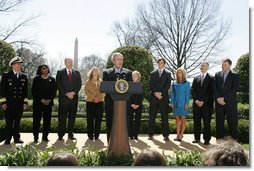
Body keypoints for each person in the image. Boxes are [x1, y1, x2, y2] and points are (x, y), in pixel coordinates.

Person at [102, 52, 132, 142]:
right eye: (118, 59)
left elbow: (131, 87)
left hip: (124, 103)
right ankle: (110, 143)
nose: (120, 61)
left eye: (121, 59)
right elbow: (105, 87)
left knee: (124, 123)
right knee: (111, 122)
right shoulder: (106, 73)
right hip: (111, 103)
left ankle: (124, 143)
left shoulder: (128, 73)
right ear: (113, 61)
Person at [0, 56, 28, 144]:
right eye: (17, 64)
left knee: (17, 121)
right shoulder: (6, 75)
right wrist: (3, 102)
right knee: (9, 121)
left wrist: (25, 102)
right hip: (9, 103)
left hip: (19, 103)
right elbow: (2, 90)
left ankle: (16, 138)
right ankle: (7, 138)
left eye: (20, 64)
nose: (19, 66)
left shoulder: (24, 76)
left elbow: (25, 91)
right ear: (13, 65)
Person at [56, 58, 82, 140]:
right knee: (62, 117)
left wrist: (73, 93)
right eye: (68, 62)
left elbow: (79, 84)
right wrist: (67, 93)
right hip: (64, 99)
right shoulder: (60, 72)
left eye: (71, 62)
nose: (70, 63)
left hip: (74, 99)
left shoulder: (77, 73)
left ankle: (70, 134)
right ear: (65, 63)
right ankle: (61, 134)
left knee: (72, 117)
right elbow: (58, 84)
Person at [214, 58, 239, 140]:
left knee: (232, 123)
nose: (223, 66)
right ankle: (219, 144)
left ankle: (234, 144)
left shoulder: (235, 75)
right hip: (219, 103)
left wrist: (224, 98)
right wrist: (218, 98)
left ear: (230, 65)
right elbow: (215, 88)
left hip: (230, 104)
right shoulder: (217, 74)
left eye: (225, 65)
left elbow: (234, 89)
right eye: (222, 65)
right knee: (219, 124)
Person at [32, 64, 57, 143]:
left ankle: (45, 137)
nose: (46, 69)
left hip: (48, 104)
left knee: (47, 121)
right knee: (36, 120)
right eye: (43, 68)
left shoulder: (52, 79)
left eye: (46, 68)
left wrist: (49, 100)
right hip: (38, 103)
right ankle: (36, 137)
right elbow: (33, 91)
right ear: (40, 70)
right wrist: (41, 99)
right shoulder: (36, 79)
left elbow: (54, 91)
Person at [148, 57, 171, 141]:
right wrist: (155, 93)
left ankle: (166, 135)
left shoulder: (168, 73)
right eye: (159, 62)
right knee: (152, 117)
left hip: (163, 98)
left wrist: (160, 93)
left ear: (164, 64)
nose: (160, 64)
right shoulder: (152, 73)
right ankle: (150, 134)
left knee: (164, 117)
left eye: (162, 62)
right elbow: (150, 84)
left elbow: (168, 85)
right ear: (157, 63)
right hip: (154, 97)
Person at [191, 62, 214, 145]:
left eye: (203, 66)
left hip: (207, 105)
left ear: (207, 67)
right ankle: (197, 138)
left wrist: (203, 101)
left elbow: (210, 92)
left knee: (206, 123)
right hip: (196, 104)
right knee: (196, 122)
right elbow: (192, 89)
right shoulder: (196, 78)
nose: (201, 67)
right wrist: (196, 100)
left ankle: (207, 140)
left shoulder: (212, 78)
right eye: (201, 66)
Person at [84, 67, 105, 140]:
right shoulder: (88, 82)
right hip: (90, 102)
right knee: (90, 120)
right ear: (91, 72)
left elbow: (104, 92)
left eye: (97, 71)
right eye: (94, 71)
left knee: (98, 120)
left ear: (98, 72)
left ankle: (96, 136)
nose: (95, 72)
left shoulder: (101, 81)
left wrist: (98, 98)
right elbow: (86, 92)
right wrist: (94, 97)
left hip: (100, 103)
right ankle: (90, 136)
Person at [170, 68, 190, 142]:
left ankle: (181, 135)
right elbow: (172, 94)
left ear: (183, 73)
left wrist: (186, 104)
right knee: (177, 119)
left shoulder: (187, 83)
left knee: (183, 119)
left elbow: (187, 94)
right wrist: (171, 102)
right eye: (178, 72)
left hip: (183, 104)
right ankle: (177, 134)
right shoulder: (174, 83)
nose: (179, 73)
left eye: (180, 72)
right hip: (175, 104)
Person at [128, 71, 143, 140]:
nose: (135, 77)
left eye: (136, 76)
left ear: (138, 77)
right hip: (130, 105)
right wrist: (131, 104)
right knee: (130, 120)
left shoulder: (140, 85)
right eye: (133, 76)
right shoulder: (128, 85)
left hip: (138, 106)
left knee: (137, 120)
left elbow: (141, 96)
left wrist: (138, 105)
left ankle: (136, 135)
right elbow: (128, 96)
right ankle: (130, 135)